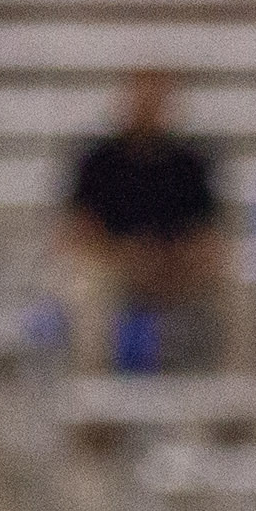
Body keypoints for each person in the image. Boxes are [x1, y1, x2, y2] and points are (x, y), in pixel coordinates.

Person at [62, 66, 226, 374]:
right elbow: (77, 232)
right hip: (113, 266)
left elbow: (207, 235)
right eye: (142, 91)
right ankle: (94, 406)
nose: (149, 101)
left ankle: (234, 406)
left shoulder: (189, 162)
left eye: (158, 92)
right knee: (85, 289)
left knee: (238, 291)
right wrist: (126, 256)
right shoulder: (98, 160)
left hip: (176, 271)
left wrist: (170, 262)